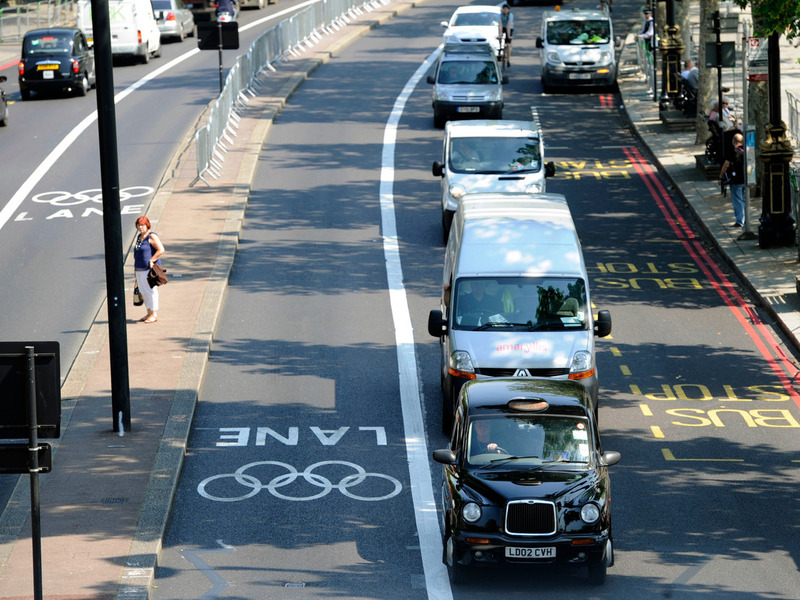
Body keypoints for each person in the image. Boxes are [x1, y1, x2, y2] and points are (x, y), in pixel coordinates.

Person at [133, 216, 165, 323]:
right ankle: (148, 313)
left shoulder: (151, 236)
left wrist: (152, 260)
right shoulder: (139, 237)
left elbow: (161, 250)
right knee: (143, 291)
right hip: (139, 269)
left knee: (151, 291)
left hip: (148, 269)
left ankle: (154, 314)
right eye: (138, 225)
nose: (140, 227)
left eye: (142, 225)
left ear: (147, 225)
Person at [718, 133, 746, 228]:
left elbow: (726, 165)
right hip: (745, 180)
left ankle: (740, 221)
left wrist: (720, 177)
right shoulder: (746, 151)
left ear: (733, 141)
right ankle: (745, 219)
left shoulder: (733, 151)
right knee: (743, 200)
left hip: (736, 180)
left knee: (737, 200)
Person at [498, 3, 513, 68]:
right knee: (499, 36)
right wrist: (500, 34)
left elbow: (509, 25)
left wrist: (509, 36)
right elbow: (500, 24)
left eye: (506, 9)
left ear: (509, 10)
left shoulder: (510, 15)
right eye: (504, 9)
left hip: (510, 28)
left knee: (508, 44)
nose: (505, 10)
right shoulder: (500, 15)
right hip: (503, 27)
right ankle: (500, 47)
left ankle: (508, 60)